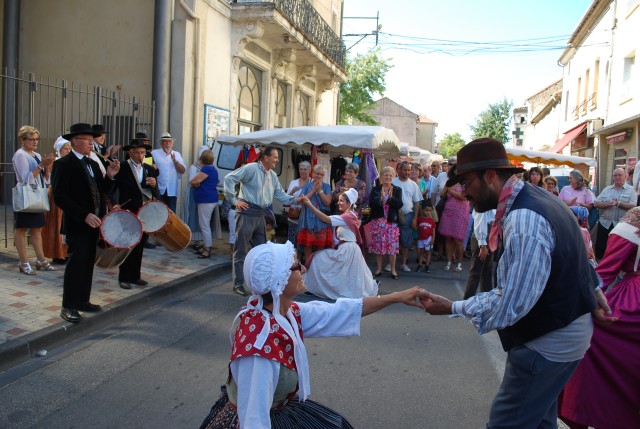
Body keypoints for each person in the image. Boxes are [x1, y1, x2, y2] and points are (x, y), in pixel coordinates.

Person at [420, 138, 613, 428]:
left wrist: (454, 306)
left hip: (548, 340)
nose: (464, 192)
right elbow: (573, 250)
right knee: (538, 421)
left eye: (467, 182)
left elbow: (513, 300)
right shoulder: (536, 197)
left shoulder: (524, 216)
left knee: (507, 423)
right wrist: (592, 288)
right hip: (562, 332)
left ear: (490, 176)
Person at [198, 241, 426, 429]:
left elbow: (339, 311)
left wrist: (396, 297)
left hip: (279, 410)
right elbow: (254, 420)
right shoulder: (259, 348)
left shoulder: (284, 313)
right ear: (280, 279)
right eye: (296, 265)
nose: (303, 268)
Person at [559, 208, 638, 429]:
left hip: (634, 302)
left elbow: (604, 273)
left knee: (589, 336)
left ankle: (585, 410)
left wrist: (578, 300)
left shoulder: (634, 222)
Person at [52, 123, 120, 323]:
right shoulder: (63, 164)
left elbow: (101, 191)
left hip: (95, 222)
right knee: (76, 264)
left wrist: (109, 176)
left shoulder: (91, 164)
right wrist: (84, 215)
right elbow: (60, 196)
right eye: (87, 140)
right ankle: (68, 306)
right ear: (75, 141)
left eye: (92, 140)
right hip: (78, 222)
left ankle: (83, 300)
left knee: (88, 262)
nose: (91, 143)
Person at [223, 146, 298, 296]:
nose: (277, 160)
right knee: (241, 251)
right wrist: (234, 200)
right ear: (265, 157)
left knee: (262, 252)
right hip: (246, 213)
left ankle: (260, 284)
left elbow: (280, 195)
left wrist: (296, 200)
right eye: (275, 157)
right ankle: (237, 284)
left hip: (259, 215)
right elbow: (228, 178)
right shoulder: (251, 168)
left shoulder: (272, 175)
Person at [300, 188, 378, 299]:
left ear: (349, 203)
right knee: (343, 272)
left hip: (347, 249)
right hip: (349, 249)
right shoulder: (352, 215)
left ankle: (318, 288)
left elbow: (326, 219)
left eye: (341, 201)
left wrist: (309, 205)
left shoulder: (347, 217)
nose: (338, 203)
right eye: (339, 200)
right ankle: (319, 287)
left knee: (318, 258)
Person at [111, 136, 158, 290]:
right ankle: (123, 277)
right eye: (137, 152)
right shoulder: (123, 167)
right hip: (128, 210)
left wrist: (154, 185)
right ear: (130, 153)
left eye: (142, 153)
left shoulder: (149, 169)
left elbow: (156, 193)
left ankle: (135, 276)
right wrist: (114, 204)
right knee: (127, 244)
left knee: (140, 245)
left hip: (145, 212)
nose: (140, 156)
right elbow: (112, 189)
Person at [12, 125, 56, 275]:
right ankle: (23, 262)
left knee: (37, 228)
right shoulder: (20, 155)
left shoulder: (37, 155)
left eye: (37, 139)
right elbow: (26, 179)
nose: (35, 142)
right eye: (31, 139)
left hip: (37, 195)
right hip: (26, 195)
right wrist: (41, 165)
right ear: (23, 140)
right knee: (21, 229)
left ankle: (41, 259)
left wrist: (47, 168)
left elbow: (45, 179)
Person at [592, 167, 636, 259]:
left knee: (617, 250)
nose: (617, 177)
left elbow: (633, 205)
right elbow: (596, 203)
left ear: (625, 176)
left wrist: (619, 203)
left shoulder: (631, 190)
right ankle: (599, 269)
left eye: (619, 175)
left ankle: (615, 270)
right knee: (601, 248)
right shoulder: (607, 189)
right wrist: (606, 204)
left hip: (621, 226)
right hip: (605, 224)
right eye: (615, 175)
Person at [368, 166, 403, 279]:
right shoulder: (376, 189)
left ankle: (393, 270)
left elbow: (399, 205)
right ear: (381, 177)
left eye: (390, 175)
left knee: (392, 249)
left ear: (393, 177)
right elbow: (372, 205)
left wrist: (389, 199)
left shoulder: (397, 189)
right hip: (378, 222)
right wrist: (380, 199)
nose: (388, 177)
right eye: (385, 175)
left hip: (391, 223)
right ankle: (379, 269)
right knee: (379, 248)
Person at [42, 137, 72, 264]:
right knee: (57, 225)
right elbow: (48, 181)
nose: (68, 151)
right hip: (56, 197)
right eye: (65, 149)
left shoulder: (72, 162)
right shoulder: (55, 162)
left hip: (69, 195)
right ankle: (57, 253)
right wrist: (47, 168)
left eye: (70, 149)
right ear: (59, 150)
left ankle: (67, 252)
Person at [297, 165, 334, 262]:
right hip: (308, 218)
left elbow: (327, 202)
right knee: (307, 245)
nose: (318, 176)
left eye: (321, 174)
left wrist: (320, 190)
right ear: (312, 174)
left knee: (320, 245)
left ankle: (317, 266)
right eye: (317, 173)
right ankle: (308, 266)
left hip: (321, 220)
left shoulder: (327, 186)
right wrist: (313, 190)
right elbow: (301, 201)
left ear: (324, 176)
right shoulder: (307, 186)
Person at [438, 164, 470, 272]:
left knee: (458, 239)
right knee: (448, 238)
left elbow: (462, 197)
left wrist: (449, 190)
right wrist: (445, 190)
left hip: (461, 213)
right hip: (449, 211)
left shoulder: (466, 183)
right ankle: (449, 261)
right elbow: (442, 195)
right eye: (456, 170)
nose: (458, 172)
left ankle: (460, 263)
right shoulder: (450, 182)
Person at [391, 161, 422, 272]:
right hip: (393, 215)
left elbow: (417, 202)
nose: (407, 172)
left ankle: (403, 263)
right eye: (405, 170)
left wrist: (415, 218)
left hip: (408, 215)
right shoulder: (392, 182)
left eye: (409, 170)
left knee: (406, 241)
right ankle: (391, 264)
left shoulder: (413, 185)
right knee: (392, 239)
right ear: (398, 170)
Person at [189, 149, 219, 259]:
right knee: (205, 224)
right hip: (210, 198)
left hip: (206, 199)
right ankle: (207, 246)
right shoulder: (213, 169)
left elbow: (193, 181)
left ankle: (207, 248)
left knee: (204, 225)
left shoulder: (206, 169)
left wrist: (196, 186)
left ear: (202, 158)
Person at [462, 208, 496, 299]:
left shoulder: (490, 199)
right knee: (476, 272)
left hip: (490, 233)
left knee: (486, 271)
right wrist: (482, 244)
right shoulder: (483, 200)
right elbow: (479, 221)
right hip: (482, 237)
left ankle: (487, 300)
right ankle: (466, 302)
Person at [151, 132, 185, 213]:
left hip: (172, 190)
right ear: (161, 143)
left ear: (172, 143)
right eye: (165, 141)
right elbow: (146, 168)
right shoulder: (154, 153)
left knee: (171, 214)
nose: (167, 143)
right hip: (158, 189)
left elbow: (182, 171)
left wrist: (175, 160)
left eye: (170, 141)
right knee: (158, 213)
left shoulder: (177, 154)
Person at [185, 145, 209, 251]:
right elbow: (192, 181)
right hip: (194, 193)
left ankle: (199, 240)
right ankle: (193, 239)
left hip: (203, 194)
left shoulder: (207, 167)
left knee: (201, 218)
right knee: (193, 215)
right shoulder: (194, 167)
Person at [285, 161, 311, 252]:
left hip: (307, 218)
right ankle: (292, 262)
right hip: (294, 216)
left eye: (305, 169)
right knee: (292, 242)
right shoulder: (293, 182)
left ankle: (301, 263)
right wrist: (292, 191)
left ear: (309, 170)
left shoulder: (312, 182)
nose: (303, 171)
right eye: (301, 169)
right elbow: (286, 199)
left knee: (303, 244)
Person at [415, 201, 436, 273]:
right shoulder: (420, 219)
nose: (428, 212)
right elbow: (416, 227)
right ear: (423, 210)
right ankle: (420, 265)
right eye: (426, 210)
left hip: (428, 239)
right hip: (420, 238)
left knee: (428, 252)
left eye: (430, 210)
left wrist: (433, 239)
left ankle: (427, 265)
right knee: (421, 252)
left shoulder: (431, 220)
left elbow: (433, 230)